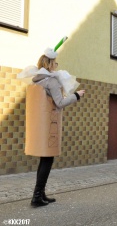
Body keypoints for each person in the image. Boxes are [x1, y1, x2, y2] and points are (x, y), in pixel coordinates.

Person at [17, 47, 84, 207]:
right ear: (50, 64)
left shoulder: (37, 80)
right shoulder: (52, 81)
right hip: (49, 127)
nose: (57, 65)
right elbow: (60, 102)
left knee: (44, 160)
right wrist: (76, 96)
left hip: (40, 126)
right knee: (47, 160)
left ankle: (41, 194)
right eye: (56, 62)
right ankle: (37, 196)